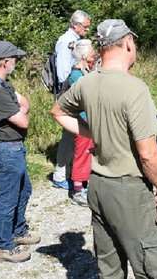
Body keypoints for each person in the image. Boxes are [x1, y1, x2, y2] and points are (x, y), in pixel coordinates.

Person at [51, 19, 157, 279]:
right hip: (128, 189)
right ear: (128, 42)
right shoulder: (134, 88)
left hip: (97, 186)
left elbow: (58, 111)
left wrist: (92, 131)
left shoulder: (87, 82)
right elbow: (148, 153)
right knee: (155, 268)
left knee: (109, 269)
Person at [0, 41, 40, 263]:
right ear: (5, 62)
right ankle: (3, 246)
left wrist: (21, 108)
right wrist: (21, 110)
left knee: (24, 190)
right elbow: (23, 120)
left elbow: (25, 103)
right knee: (8, 197)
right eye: (14, 59)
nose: (16, 62)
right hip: (5, 148)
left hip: (13, 146)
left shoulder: (2, 83)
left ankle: (18, 231)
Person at [52, 10, 92, 190]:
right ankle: (63, 175)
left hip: (73, 92)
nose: (87, 30)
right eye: (85, 27)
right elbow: (62, 73)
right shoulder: (65, 41)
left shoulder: (74, 40)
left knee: (72, 133)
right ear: (75, 25)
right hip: (68, 93)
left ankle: (64, 173)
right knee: (74, 132)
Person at [66, 39, 97, 206]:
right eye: (92, 52)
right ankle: (78, 189)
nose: (94, 54)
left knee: (90, 151)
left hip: (90, 119)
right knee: (82, 153)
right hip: (82, 120)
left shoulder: (86, 71)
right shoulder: (76, 75)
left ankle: (88, 183)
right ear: (85, 55)